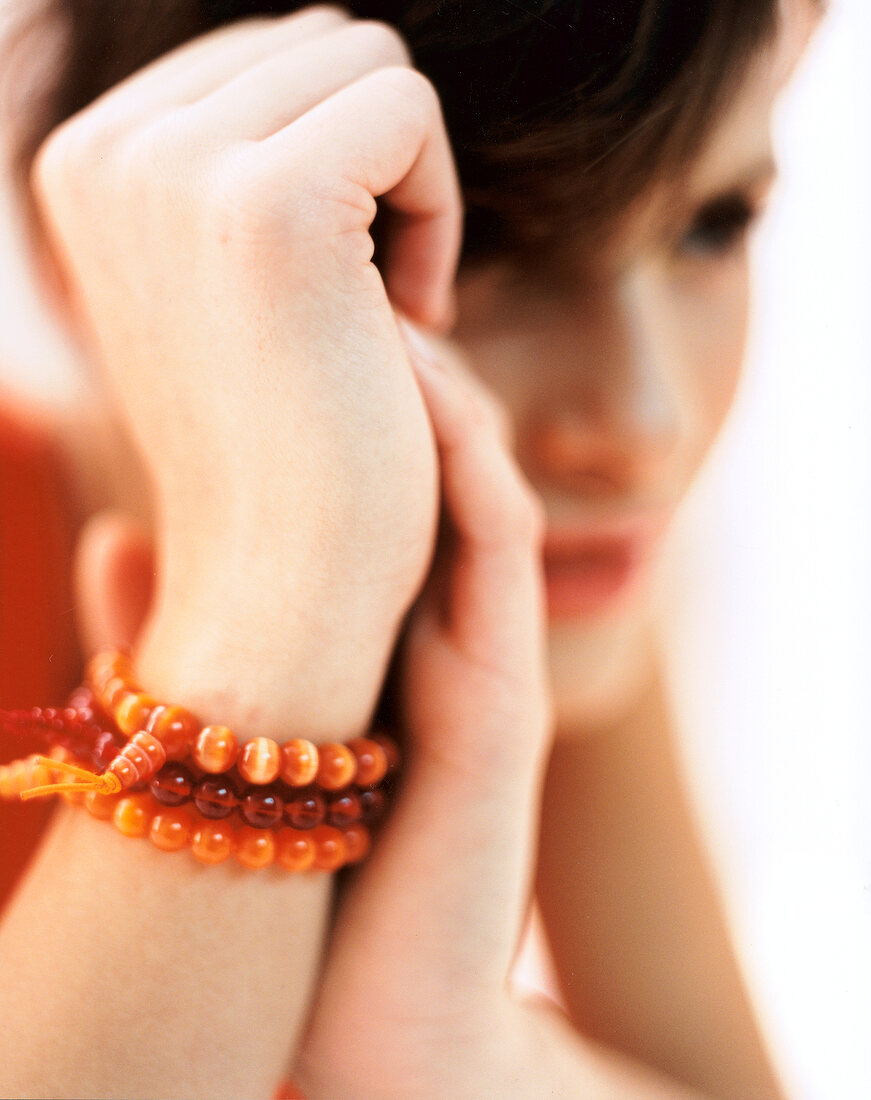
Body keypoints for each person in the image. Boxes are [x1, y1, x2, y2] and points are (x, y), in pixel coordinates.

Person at [0, 1, 821, 1097]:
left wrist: (469, 1056)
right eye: (475, 238)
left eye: (711, 225)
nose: (643, 422)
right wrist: (268, 605)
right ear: (118, 243)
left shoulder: (536, 580)